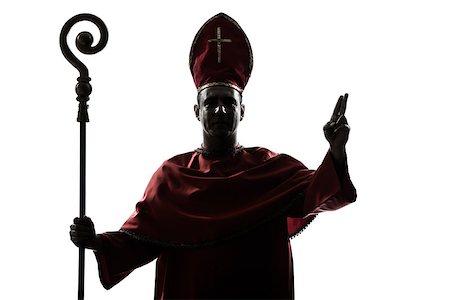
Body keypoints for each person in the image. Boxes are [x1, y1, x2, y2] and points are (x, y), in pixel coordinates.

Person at [70, 12, 356, 299]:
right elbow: (141, 239)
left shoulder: (272, 170)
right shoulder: (172, 177)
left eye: (229, 103)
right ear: (197, 111)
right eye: (211, 103)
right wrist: (96, 241)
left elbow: (322, 192)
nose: (220, 110)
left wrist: (336, 151)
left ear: (242, 110)